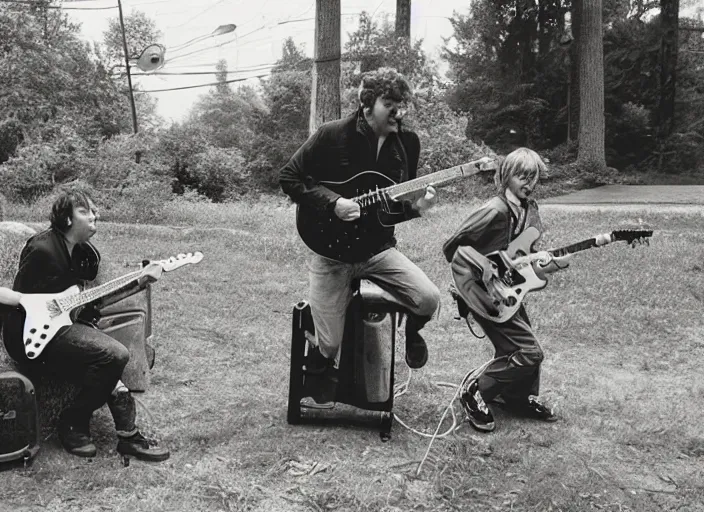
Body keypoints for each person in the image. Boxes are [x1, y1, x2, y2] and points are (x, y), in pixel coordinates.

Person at [280, 67, 441, 402]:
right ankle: (320, 364)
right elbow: (290, 177)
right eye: (390, 103)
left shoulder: (407, 144)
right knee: (330, 344)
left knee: (428, 299)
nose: (399, 111)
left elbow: (394, 205)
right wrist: (333, 203)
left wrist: (417, 208)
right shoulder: (331, 134)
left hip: (377, 249)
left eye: (401, 103)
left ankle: (412, 332)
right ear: (368, 105)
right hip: (330, 253)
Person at [2, 187, 170, 461]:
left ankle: (126, 436)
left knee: (113, 362)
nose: (94, 216)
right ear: (67, 219)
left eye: (94, 210)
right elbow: (21, 300)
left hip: (67, 324)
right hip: (31, 334)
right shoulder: (41, 249)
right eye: (85, 211)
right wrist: (43, 307)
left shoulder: (86, 254)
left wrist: (140, 281)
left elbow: (95, 298)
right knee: (115, 354)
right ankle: (73, 422)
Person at [442, 147, 570, 433]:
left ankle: (515, 398)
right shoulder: (494, 210)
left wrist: (547, 263)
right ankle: (474, 392)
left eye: (533, 177)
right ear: (505, 176)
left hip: (508, 287)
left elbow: (522, 252)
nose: (529, 183)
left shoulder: (529, 209)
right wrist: (483, 266)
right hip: (480, 290)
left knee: (518, 342)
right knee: (529, 352)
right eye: (522, 176)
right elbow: (453, 248)